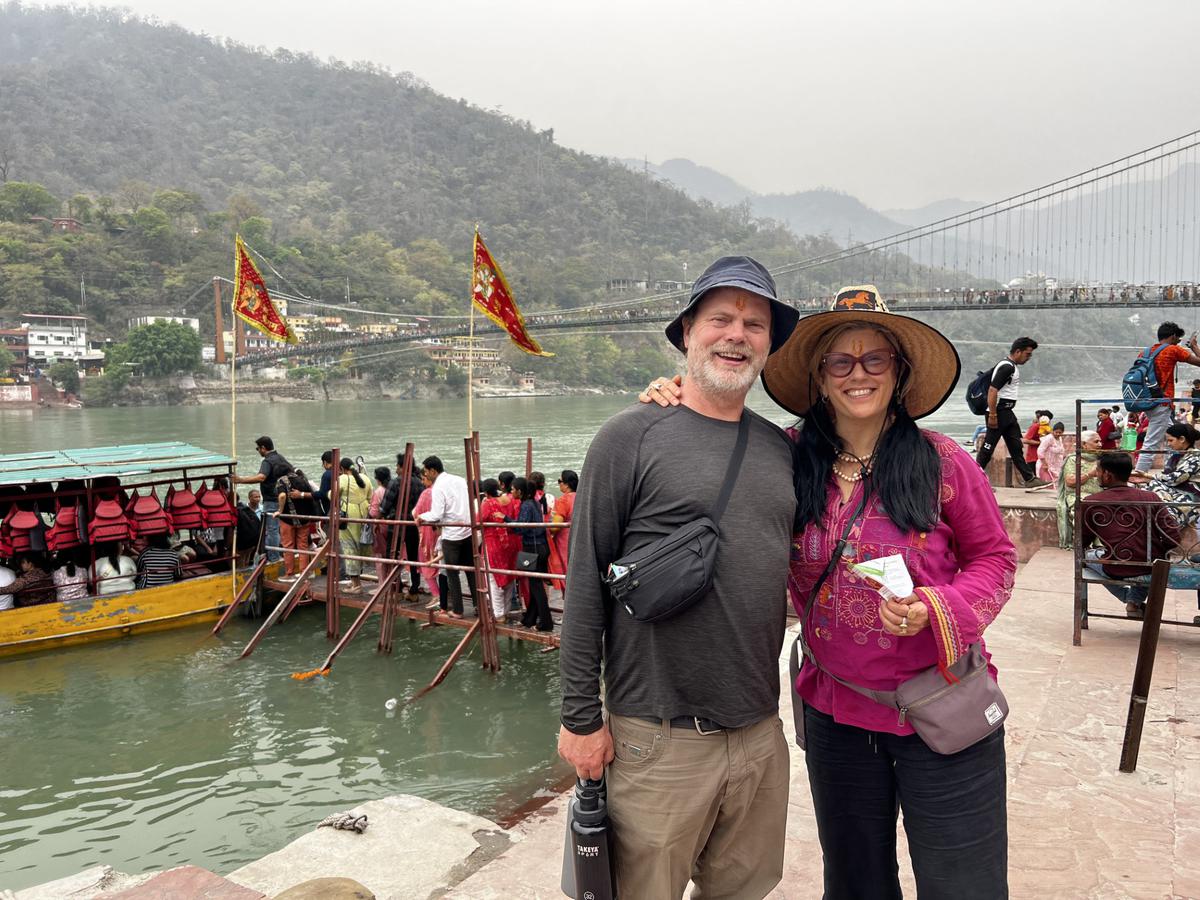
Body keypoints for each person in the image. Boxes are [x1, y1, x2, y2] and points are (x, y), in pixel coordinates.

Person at [560, 255, 800, 899]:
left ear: (770, 344)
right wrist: (580, 719)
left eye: (754, 323)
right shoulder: (629, 436)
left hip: (758, 733)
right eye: (719, 318)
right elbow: (583, 581)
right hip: (655, 739)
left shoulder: (781, 449)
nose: (736, 334)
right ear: (687, 333)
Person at [1081, 452, 1181, 618]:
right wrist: (1157, 552)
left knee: (1086, 557)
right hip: (1151, 564)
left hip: (1116, 566)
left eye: (1098, 471)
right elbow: (1173, 537)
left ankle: (1128, 598)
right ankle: (1133, 603)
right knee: (1147, 563)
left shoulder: (1091, 501)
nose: (1096, 474)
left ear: (1107, 474)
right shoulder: (1151, 497)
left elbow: (1081, 542)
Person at [975, 337, 1049, 487]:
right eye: (1027, 354)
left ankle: (1029, 479)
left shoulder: (1011, 366)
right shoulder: (1006, 367)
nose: (1028, 358)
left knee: (1016, 446)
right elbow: (992, 390)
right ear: (1017, 351)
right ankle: (974, 480)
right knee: (988, 448)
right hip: (999, 413)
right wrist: (993, 415)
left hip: (1007, 413)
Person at [1133, 323, 1200, 476]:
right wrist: (1194, 346)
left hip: (1146, 401)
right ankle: (1139, 473)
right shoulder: (1172, 349)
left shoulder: (1145, 352)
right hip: (1162, 402)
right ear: (1173, 336)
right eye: (1178, 339)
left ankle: (1176, 464)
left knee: (1174, 432)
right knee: (1152, 439)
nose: (1178, 342)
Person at [418, 456, 475, 618]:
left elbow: (436, 514)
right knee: (471, 571)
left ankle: (458, 610)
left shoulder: (438, 487)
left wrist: (422, 517)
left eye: (427, 472)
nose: (426, 475)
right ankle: (478, 605)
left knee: (452, 573)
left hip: (451, 535)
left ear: (433, 471)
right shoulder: (459, 480)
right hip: (467, 530)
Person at [232, 436, 291, 562]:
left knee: (272, 530)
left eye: (258, 448)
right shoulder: (280, 458)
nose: (258, 451)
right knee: (279, 528)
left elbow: (261, 477)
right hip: (284, 499)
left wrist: (240, 480)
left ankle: (274, 557)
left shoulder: (267, 461)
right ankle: (278, 554)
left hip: (272, 499)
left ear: (263, 448)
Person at [379, 453, 426, 601]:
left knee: (392, 556)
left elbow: (385, 506)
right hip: (413, 524)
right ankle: (414, 589)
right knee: (413, 557)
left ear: (401, 467)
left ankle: (397, 588)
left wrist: (378, 517)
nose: (396, 469)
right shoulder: (419, 482)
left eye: (397, 466)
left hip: (397, 525)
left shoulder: (396, 482)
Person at [511, 476, 552, 631]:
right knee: (535, 584)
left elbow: (521, 528)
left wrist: (506, 519)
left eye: (513, 489)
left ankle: (546, 622)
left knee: (535, 585)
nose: (511, 491)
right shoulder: (534, 502)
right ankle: (530, 618)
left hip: (531, 548)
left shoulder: (526, 505)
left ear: (520, 492)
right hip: (541, 547)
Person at [478, 477, 519, 621]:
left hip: (494, 544)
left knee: (493, 578)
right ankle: (506, 610)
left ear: (485, 492)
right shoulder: (510, 500)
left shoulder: (488, 503)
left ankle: (499, 613)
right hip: (511, 544)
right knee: (508, 577)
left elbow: (478, 520)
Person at [1146, 423, 1200, 527]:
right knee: (1148, 490)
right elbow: (1166, 476)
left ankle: (1168, 518)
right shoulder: (1177, 455)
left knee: (1154, 485)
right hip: (1178, 492)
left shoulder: (1195, 457)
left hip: (1192, 496)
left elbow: (1175, 479)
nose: (1169, 444)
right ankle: (1165, 517)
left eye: (1171, 440)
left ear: (1182, 439)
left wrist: (1148, 476)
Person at [1058, 429, 1104, 549]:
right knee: (1086, 506)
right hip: (1078, 495)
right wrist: (1090, 474)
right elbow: (1070, 482)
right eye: (1096, 441)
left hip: (1100, 494)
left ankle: (1102, 543)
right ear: (1084, 444)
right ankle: (1083, 544)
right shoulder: (1073, 459)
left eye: (1100, 441)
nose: (1100, 444)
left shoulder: (1101, 459)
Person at [337, 458, 372, 594]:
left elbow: (332, 495)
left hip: (348, 516)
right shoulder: (365, 478)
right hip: (364, 513)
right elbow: (370, 496)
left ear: (341, 469)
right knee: (362, 544)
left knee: (349, 548)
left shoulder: (343, 479)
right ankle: (360, 578)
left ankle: (355, 584)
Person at [274, 468, 316, 581]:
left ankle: (289, 574)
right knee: (303, 546)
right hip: (303, 518)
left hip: (288, 519)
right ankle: (304, 573)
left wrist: (280, 510)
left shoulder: (281, 481)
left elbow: (282, 496)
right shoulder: (302, 479)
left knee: (288, 546)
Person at [549, 469, 577, 594]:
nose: (559, 484)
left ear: (566, 484)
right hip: (580, 538)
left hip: (565, 542)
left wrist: (546, 526)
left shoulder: (564, 500)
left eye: (560, 481)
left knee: (567, 572)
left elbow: (555, 526)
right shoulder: (583, 497)